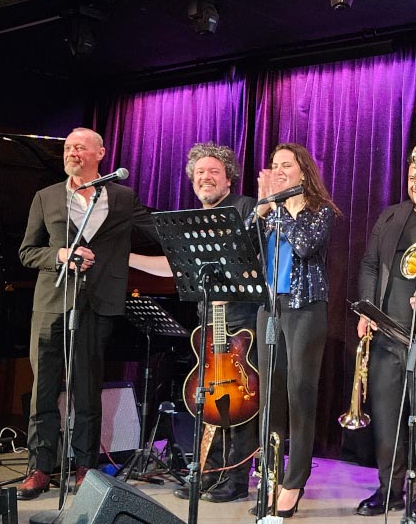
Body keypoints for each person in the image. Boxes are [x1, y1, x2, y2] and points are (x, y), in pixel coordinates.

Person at [16, 127, 157, 500]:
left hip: (98, 303)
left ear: (100, 153)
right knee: (44, 389)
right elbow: (27, 252)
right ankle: (39, 467)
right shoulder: (46, 197)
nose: (72, 152)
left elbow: (157, 229)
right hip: (51, 303)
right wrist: (60, 254)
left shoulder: (123, 197)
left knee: (88, 389)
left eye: (80, 147)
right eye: (68, 148)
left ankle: (85, 466)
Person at [130, 143, 260, 503]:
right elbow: (175, 268)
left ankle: (236, 479)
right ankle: (207, 473)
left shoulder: (245, 208)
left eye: (214, 171)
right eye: (200, 172)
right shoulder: (191, 221)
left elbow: (253, 260)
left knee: (240, 400)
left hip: (243, 321)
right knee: (208, 398)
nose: (206, 177)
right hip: (208, 321)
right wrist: (126, 258)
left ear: (229, 178)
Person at [354, 149, 416, 519]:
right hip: (386, 332)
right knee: (387, 416)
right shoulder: (391, 215)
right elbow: (369, 264)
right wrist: (366, 310)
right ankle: (389, 489)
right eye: (411, 178)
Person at [252, 143, 339, 518]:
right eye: (274, 165)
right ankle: (270, 475)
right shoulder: (268, 212)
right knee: (270, 395)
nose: (278, 170)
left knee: (299, 394)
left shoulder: (321, 212)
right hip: (269, 308)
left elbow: (304, 247)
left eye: (286, 165)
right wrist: (260, 212)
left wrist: (280, 208)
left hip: (305, 309)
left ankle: (294, 481)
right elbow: (245, 247)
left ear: (303, 170)